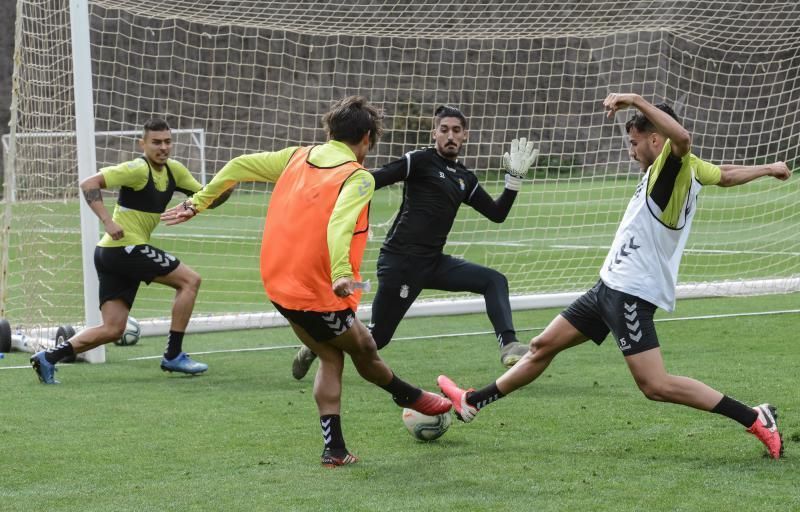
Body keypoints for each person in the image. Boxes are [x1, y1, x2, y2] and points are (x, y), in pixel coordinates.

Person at [437, 93, 790, 460]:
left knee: (654, 385)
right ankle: (473, 402)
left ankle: (755, 418)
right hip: (608, 286)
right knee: (543, 346)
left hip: (631, 293)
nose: (630, 151)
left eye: (634, 143)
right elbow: (727, 175)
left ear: (657, 140)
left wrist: (635, 100)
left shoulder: (672, 167)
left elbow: (682, 140)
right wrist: (768, 169)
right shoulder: (689, 168)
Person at [160, 96, 452, 467]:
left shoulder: (297, 155)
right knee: (363, 349)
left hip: (277, 282)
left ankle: (335, 450)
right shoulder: (357, 176)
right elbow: (339, 224)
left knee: (331, 354)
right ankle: (407, 395)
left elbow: (237, 165)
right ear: (366, 138)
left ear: (330, 131)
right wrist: (342, 273)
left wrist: (197, 201)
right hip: (315, 290)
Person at [290, 105, 539, 380]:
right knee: (375, 340)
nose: (450, 136)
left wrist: (513, 180)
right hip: (401, 263)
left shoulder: (465, 179)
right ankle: (317, 342)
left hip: (433, 263)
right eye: (444, 130)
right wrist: (341, 200)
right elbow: (373, 179)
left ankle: (509, 346)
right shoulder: (419, 161)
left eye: (456, 130)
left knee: (494, 280)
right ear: (434, 133)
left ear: (465, 135)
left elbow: (497, 213)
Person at [30, 118, 217, 384]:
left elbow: (207, 196)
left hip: (113, 254)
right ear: (143, 144)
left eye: (167, 141)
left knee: (113, 328)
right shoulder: (137, 169)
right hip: (124, 249)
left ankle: (47, 358)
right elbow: (89, 184)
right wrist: (107, 220)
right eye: (156, 142)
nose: (163, 147)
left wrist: (226, 184)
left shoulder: (175, 171)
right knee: (190, 281)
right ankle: (173, 355)